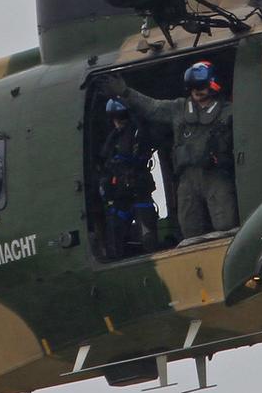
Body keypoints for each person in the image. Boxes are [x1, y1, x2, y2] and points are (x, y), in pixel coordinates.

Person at [100, 61, 238, 242]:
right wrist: (126, 92)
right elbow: (152, 107)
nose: (197, 90)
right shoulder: (179, 108)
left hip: (216, 175)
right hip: (187, 178)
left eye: (201, 85)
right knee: (190, 229)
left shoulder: (228, 111)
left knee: (226, 226)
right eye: (193, 86)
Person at [97, 98, 159, 257]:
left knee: (148, 239)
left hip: (139, 194)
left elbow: (142, 152)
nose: (118, 122)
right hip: (119, 198)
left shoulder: (139, 131)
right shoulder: (112, 139)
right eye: (115, 118)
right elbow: (105, 162)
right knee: (114, 244)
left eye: (120, 117)